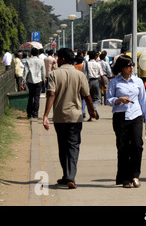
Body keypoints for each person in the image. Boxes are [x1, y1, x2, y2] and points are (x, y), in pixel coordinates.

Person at [42, 48, 97, 190]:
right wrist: (92, 110)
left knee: (63, 146)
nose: (56, 60)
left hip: (60, 117)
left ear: (63, 59)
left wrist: (45, 115)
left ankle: (67, 175)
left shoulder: (54, 74)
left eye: (58, 58)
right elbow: (87, 96)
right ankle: (69, 176)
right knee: (73, 146)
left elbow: (51, 95)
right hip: (75, 117)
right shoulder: (79, 75)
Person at [106, 54, 146, 188]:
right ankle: (125, 178)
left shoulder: (138, 81)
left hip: (136, 116)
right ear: (121, 68)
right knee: (123, 147)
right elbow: (108, 99)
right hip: (120, 116)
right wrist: (119, 100)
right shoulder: (114, 82)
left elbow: (143, 101)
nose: (131, 68)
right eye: (128, 66)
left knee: (137, 145)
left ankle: (135, 175)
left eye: (132, 65)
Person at [23, 48, 45, 119]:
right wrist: (43, 80)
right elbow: (43, 73)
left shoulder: (28, 61)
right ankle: (35, 113)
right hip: (38, 80)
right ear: (38, 53)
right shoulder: (41, 61)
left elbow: (25, 72)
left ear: (31, 53)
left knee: (30, 97)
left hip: (30, 81)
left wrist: (23, 81)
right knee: (36, 97)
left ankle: (29, 113)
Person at [85, 51, 105, 120]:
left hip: (88, 82)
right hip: (96, 81)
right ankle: (95, 109)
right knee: (96, 98)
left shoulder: (86, 64)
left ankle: (91, 115)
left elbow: (83, 74)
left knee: (88, 98)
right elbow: (101, 75)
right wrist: (104, 84)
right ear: (95, 57)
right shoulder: (98, 64)